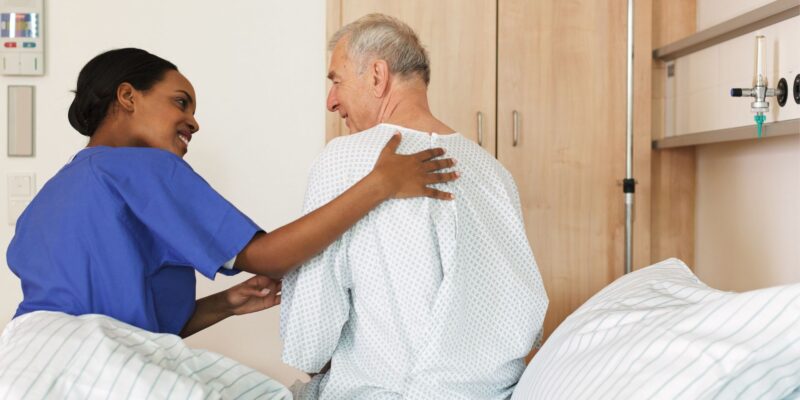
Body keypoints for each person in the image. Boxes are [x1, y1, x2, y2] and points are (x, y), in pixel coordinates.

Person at [6, 48, 458, 338]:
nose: (195, 122)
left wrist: (226, 303)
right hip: (96, 365)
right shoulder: (143, 169)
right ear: (128, 97)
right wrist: (380, 183)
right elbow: (268, 256)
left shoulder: (50, 198)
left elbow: (129, 319)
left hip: (28, 363)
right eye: (180, 102)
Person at [280, 14, 548, 400]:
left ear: (377, 75)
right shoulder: (493, 171)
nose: (331, 101)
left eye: (337, 80)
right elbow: (523, 315)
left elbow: (309, 340)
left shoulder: (344, 160)